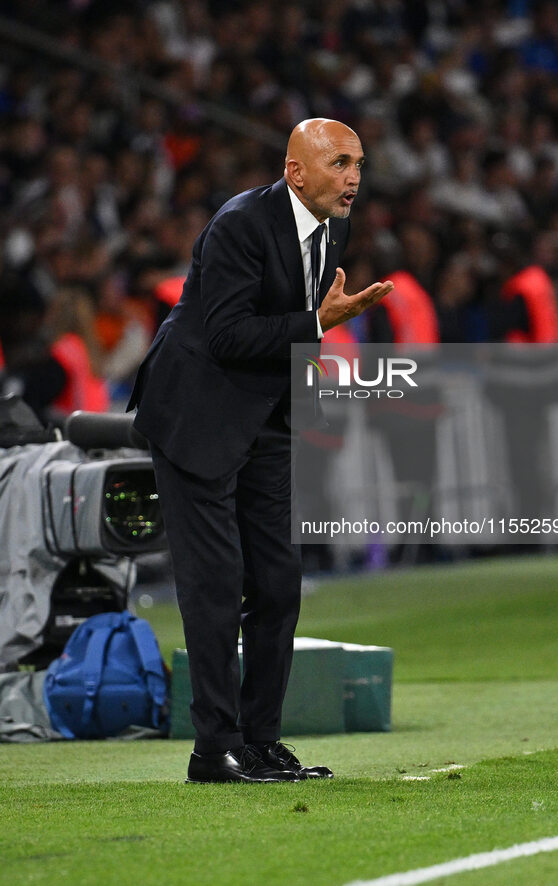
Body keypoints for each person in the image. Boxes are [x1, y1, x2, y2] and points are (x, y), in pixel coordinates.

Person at [127, 118, 393, 784]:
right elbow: (226, 335)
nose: (353, 176)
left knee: (277, 582)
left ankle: (260, 743)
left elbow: (289, 336)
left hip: (264, 417)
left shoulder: (336, 228)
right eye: (338, 163)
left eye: (358, 162)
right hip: (196, 413)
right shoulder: (240, 225)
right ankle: (212, 748)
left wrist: (309, 360)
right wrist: (317, 324)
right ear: (295, 171)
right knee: (215, 585)